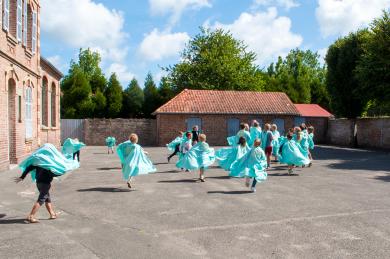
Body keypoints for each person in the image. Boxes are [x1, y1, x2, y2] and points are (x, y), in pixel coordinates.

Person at [15, 144, 79, 223]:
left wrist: (22, 177)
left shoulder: (38, 161)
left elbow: (28, 168)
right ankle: (31, 216)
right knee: (41, 200)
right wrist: (62, 171)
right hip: (45, 184)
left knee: (47, 199)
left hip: (39, 183)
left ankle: (52, 214)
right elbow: (54, 173)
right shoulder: (51, 163)